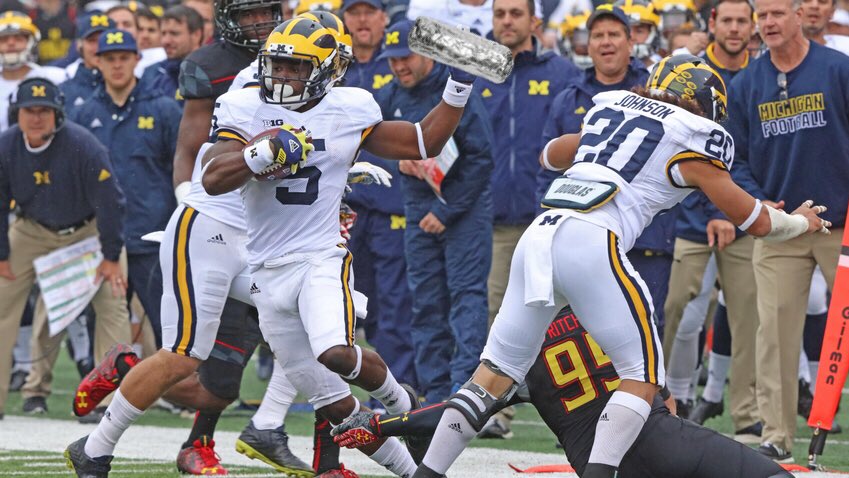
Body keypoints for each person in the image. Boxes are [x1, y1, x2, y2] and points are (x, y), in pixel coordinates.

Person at [66, 17, 458, 478]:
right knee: (185, 352)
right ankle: (96, 448)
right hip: (210, 228)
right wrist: (258, 155)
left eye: (294, 67)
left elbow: (416, 141)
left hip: (272, 249)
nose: (281, 75)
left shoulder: (351, 107)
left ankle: (378, 440)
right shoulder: (244, 97)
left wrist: (340, 175)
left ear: (329, 70)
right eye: (277, 65)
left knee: (319, 355)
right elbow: (210, 175)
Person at [408, 52, 829, 478]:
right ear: (702, 105)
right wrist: (799, 222)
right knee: (642, 376)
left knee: (491, 376)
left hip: (539, 235)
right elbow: (754, 220)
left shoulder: (610, 108)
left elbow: (550, 156)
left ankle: (426, 474)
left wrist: (594, 147)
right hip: (593, 239)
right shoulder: (692, 138)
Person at [331, 307, 795, 478]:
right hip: (661, 438)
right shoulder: (617, 306)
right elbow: (663, 389)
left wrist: (384, 422)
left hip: (599, 463)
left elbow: (459, 412)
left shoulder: (520, 345)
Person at [726, 0, 849, 462]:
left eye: (778, 13)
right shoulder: (746, 84)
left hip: (841, 226)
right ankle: (776, 433)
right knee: (774, 333)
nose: (769, 23)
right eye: (763, 15)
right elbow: (733, 159)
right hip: (782, 227)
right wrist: (762, 204)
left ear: (801, 15)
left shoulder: (838, 70)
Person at [377, 20, 495, 405]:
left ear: (427, 53)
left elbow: (481, 157)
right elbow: (372, 142)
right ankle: (434, 393)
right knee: (425, 302)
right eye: (392, 60)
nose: (399, 67)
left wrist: (446, 210)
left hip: (464, 211)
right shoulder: (389, 95)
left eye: (406, 57)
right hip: (416, 211)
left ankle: (464, 392)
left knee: (466, 299)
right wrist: (397, 162)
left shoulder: (454, 91)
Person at [477, 0, 580, 439]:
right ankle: (497, 409)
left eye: (516, 13)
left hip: (553, 218)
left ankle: (585, 410)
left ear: (535, 21)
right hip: (495, 218)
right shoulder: (479, 68)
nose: (507, 21)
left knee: (574, 314)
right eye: (500, 13)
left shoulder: (563, 74)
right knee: (498, 315)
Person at [0, 77, 130, 420]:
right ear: (18, 113)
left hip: (88, 230)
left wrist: (111, 255)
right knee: (3, 303)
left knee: (113, 305)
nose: (37, 118)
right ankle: (18, 393)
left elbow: (111, 202)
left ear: (58, 114)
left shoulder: (83, 145)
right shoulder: (6, 145)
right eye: (30, 110)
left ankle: (107, 402)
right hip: (30, 229)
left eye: (46, 111)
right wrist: (1, 255)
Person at [661, 0, 760, 435]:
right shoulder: (687, 72)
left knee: (747, 318)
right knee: (675, 313)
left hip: (742, 216)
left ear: (752, 26)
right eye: (728, 20)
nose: (735, 29)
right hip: (691, 216)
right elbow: (677, 146)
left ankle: (747, 413)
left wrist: (745, 208)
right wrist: (712, 211)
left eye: (743, 20)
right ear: (712, 23)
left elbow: (756, 154)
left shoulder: (760, 75)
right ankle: (665, 398)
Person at [68, 29, 181, 354]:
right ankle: (102, 396)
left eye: (123, 58)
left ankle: (178, 395)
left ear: (137, 59)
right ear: (97, 63)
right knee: (100, 324)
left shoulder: (164, 109)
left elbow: (180, 169)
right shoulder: (83, 114)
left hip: (152, 234)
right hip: (103, 239)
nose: (117, 66)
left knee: (166, 319)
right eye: (109, 59)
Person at [341, 0, 420, 400]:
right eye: (353, 12)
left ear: (383, 17)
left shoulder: (395, 63)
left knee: (392, 308)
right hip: (347, 205)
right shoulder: (335, 66)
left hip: (392, 205)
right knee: (344, 303)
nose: (361, 20)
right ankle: (338, 391)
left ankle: (397, 390)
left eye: (368, 11)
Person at [0, 11, 67, 131]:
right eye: (3, 39)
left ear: (31, 42)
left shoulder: (55, 77)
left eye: (18, 38)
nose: (11, 43)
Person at [140, 5, 204, 104]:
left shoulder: (211, 72)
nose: (166, 41)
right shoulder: (151, 73)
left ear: (196, 35)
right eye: (163, 33)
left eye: (174, 33)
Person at [60, 14, 115, 112]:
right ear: (79, 45)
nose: (98, 47)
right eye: (92, 41)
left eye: (105, 40)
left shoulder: (130, 87)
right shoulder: (63, 92)